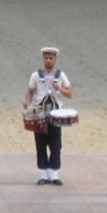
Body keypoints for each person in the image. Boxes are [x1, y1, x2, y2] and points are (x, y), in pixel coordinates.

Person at [23, 47, 73, 186]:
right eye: (46, 58)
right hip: (39, 114)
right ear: (43, 59)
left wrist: (60, 89)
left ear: (55, 59)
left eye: (51, 58)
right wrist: (27, 103)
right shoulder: (36, 75)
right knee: (40, 144)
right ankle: (43, 174)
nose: (48, 60)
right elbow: (30, 92)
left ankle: (54, 174)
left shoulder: (61, 75)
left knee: (56, 145)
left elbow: (70, 93)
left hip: (55, 115)